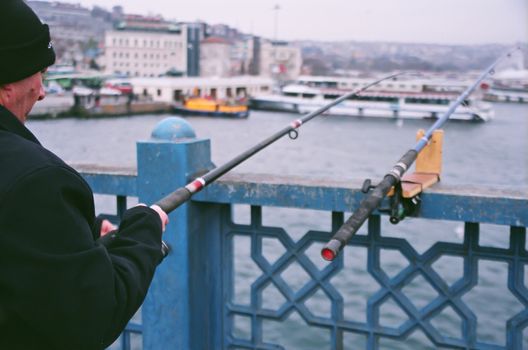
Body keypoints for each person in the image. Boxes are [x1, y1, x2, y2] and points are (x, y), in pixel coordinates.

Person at [0, 1, 169, 349]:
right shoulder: (36, 179)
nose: (43, 92)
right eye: (40, 75)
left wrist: (81, 232)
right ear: (7, 86)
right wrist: (144, 232)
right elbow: (91, 318)